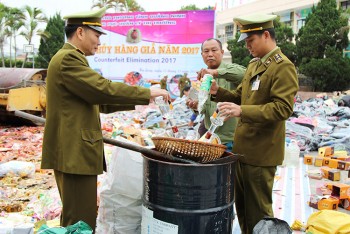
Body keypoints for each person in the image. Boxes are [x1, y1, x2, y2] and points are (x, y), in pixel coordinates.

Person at [40, 7, 169, 232]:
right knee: (80, 221)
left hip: (75, 152)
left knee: (77, 216)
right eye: (97, 35)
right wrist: (146, 92)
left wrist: (142, 100)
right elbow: (103, 90)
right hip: (74, 153)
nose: (99, 41)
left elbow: (100, 100)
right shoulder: (69, 59)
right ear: (80, 32)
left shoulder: (73, 59)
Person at [209, 14, 299, 233]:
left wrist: (242, 111)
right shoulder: (254, 65)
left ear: (266, 35)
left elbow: (282, 108)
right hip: (244, 151)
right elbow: (241, 96)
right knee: (244, 211)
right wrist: (217, 92)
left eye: (251, 41)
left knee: (259, 214)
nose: (248, 46)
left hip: (261, 153)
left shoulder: (282, 67)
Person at [187, 38, 245, 151]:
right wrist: (195, 106)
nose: (210, 54)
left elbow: (244, 74)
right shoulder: (201, 79)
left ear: (222, 52)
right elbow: (202, 109)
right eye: (206, 51)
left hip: (232, 140)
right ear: (202, 54)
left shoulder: (231, 70)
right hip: (211, 140)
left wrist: (215, 72)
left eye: (214, 50)